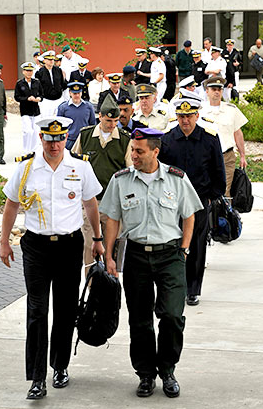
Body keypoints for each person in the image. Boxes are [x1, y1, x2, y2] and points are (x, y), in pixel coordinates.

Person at [0, 116, 104, 400]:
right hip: (36, 247)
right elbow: (11, 204)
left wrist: (97, 238)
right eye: (49, 139)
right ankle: (36, 377)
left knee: (66, 310)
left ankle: (60, 366)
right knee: (37, 311)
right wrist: (4, 241)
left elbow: (91, 203)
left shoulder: (80, 166)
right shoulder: (26, 167)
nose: (54, 144)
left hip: (69, 246)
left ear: (66, 137)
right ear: (41, 138)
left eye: (59, 139)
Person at [99, 127, 203, 399]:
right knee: (140, 319)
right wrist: (109, 256)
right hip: (135, 256)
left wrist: (184, 250)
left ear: (155, 152)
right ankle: (146, 374)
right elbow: (112, 219)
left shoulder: (176, 179)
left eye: (139, 151)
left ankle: (167, 370)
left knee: (171, 315)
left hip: (170, 255)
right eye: (132, 150)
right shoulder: (121, 180)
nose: (133, 155)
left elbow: (189, 215)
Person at [159, 94, 226, 306]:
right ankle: (173, 286)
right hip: (172, 202)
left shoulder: (209, 138)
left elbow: (218, 171)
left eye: (188, 116)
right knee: (171, 244)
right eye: (180, 116)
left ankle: (193, 289)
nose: (185, 120)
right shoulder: (168, 139)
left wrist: (212, 198)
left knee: (196, 246)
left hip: (198, 201)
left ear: (197, 115)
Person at [72, 94, 132, 275]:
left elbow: (130, 171)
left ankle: (111, 286)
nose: (112, 124)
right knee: (90, 246)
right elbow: (73, 165)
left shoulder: (124, 139)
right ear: (100, 116)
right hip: (91, 202)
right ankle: (91, 289)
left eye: (115, 120)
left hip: (113, 203)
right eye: (108, 120)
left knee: (111, 248)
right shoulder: (85, 136)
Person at [201, 76, 248, 197]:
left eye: (219, 89)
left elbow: (237, 133)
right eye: (213, 89)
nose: (217, 92)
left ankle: (225, 216)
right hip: (206, 157)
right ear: (207, 91)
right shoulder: (200, 111)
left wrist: (242, 155)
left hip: (226, 157)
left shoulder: (231, 110)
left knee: (225, 192)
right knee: (205, 190)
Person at [14, 62, 43, 153]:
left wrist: (39, 98)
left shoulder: (37, 82)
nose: (29, 73)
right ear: (23, 72)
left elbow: (42, 94)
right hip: (25, 110)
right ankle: (26, 150)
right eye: (27, 71)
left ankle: (34, 150)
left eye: (30, 71)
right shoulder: (19, 83)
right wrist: (27, 98)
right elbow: (17, 97)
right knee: (28, 131)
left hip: (36, 110)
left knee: (35, 131)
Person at [57, 82, 95, 150]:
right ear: (70, 93)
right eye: (74, 93)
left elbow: (92, 124)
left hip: (84, 140)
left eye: (78, 93)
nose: (77, 95)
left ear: (81, 93)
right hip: (69, 140)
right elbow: (59, 126)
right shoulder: (63, 107)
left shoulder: (89, 106)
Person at [35, 50, 67, 116]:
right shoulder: (39, 73)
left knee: (60, 120)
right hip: (46, 101)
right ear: (44, 61)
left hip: (58, 99)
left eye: (52, 59)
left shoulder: (58, 70)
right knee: (46, 120)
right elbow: (38, 88)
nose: (51, 61)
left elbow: (63, 83)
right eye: (49, 59)